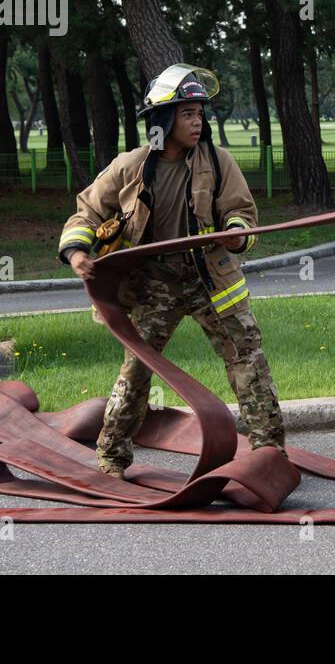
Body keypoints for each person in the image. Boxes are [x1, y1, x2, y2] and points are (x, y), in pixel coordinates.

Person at [57, 63, 284, 479]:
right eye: (187, 114)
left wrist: (236, 235)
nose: (197, 122)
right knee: (137, 369)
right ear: (163, 119)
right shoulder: (131, 166)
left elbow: (242, 213)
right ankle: (111, 459)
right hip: (153, 286)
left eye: (200, 113)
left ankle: (269, 454)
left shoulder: (218, 163)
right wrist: (76, 252)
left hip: (210, 282)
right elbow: (87, 211)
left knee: (247, 358)